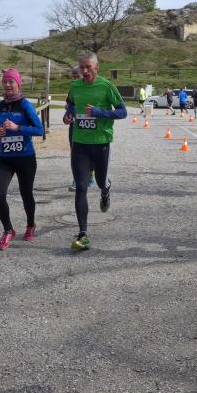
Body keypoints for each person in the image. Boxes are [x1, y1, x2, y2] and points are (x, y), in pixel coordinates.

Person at [63, 51, 127, 251]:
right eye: (81, 67)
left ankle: (105, 189)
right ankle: (83, 234)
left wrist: (100, 112)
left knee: (100, 182)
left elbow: (123, 112)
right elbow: (71, 104)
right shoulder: (74, 86)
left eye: (88, 67)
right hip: (80, 143)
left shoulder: (106, 86)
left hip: (101, 144)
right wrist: (68, 115)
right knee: (81, 187)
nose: (84, 71)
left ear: (96, 67)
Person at [0, 68, 44, 250]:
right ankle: (8, 230)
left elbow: (39, 130)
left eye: (11, 82)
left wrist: (17, 127)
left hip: (25, 158)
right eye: (5, 82)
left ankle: (30, 225)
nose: (7, 85)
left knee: (26, 194)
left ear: (18, 84)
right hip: (5, 158)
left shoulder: (25, 105)